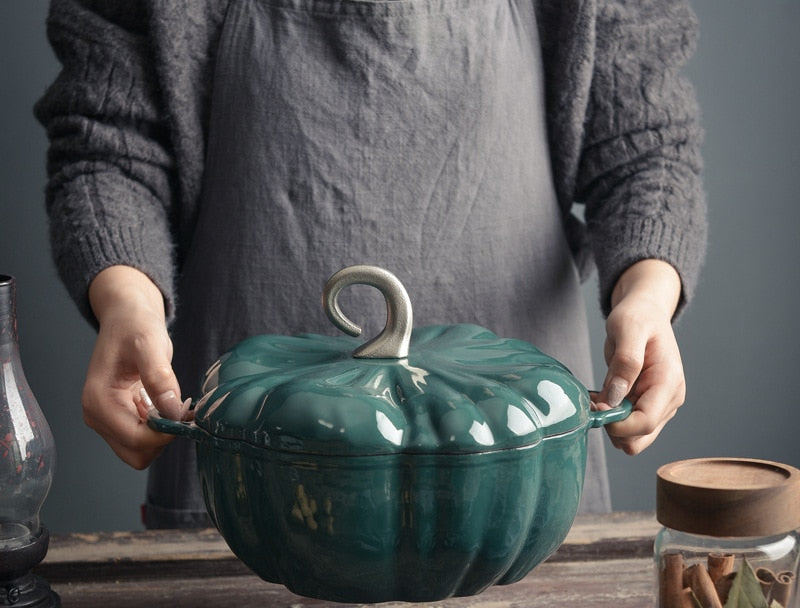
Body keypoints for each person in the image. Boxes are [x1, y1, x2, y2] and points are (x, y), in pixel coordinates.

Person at [35, 0, 706, 529]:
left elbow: (645, 147)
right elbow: (106, 141)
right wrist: (126, 299)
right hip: (251, 474)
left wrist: (646, 297)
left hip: (518, 472)